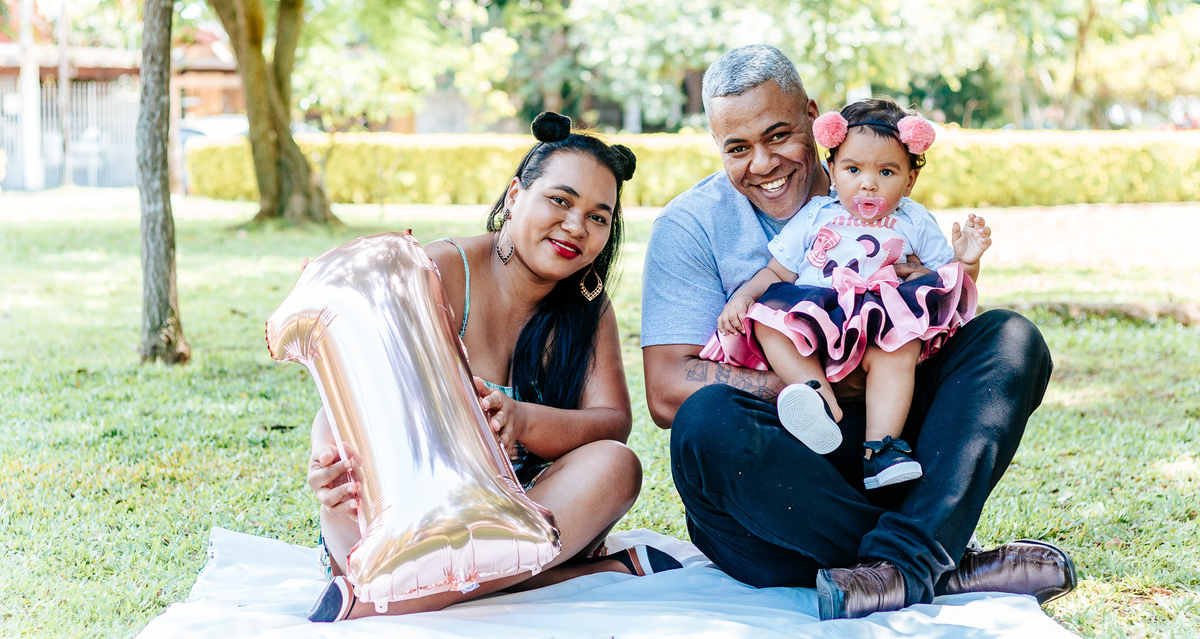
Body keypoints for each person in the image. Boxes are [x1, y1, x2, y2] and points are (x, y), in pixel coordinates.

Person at [641, 44, 1076, 621]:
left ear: (814, 119)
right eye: (738, 149)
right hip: (777, 493)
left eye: (779, 136)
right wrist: (814, 385)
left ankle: (899, 567)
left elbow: (946, 320)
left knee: (1011, 338)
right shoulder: (689, 225)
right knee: (705, 422)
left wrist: (927, 289)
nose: (764, 163)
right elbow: (668, 388)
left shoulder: (881, 186)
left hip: (887, 447)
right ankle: (937, 560)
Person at [306, 113, 678, 622]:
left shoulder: (589, 308)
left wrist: (521, 421)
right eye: (560, 200)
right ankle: (570, 574)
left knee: (617, 465)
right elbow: (354, 387)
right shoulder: (436, 272)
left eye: (599, 216)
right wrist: (328, 464)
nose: (576, 226)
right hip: (404, 513)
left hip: (517, 516)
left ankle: (388, 601)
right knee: (333, 426)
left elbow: (613, 423)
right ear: (513, 196)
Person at [704, 97, 990, 491]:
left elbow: (945, 283)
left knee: (899, 349)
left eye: (887, 171)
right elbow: (776, 271)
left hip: (878, 318)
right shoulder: (816, 213)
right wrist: (743, 298)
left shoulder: (913, 219)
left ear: (909, 180)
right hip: (817, 313)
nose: (868, 182)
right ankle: (817, 400)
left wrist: (967, 262)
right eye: (853, 169)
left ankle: (882, 450)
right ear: (833, 171)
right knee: (768, 323)